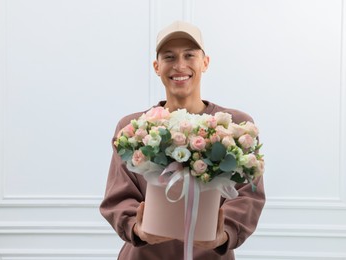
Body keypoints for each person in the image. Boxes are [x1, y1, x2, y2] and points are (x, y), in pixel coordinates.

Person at [100, 20, 266, 260]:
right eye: (169, 57)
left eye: (189, 55)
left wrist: (224, 234)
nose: (180, 65)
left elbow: (249, 195)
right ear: (156, 66)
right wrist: (136, 228)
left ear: (205, 62)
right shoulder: (131, 128)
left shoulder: (236, 127)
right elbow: (118, 195)